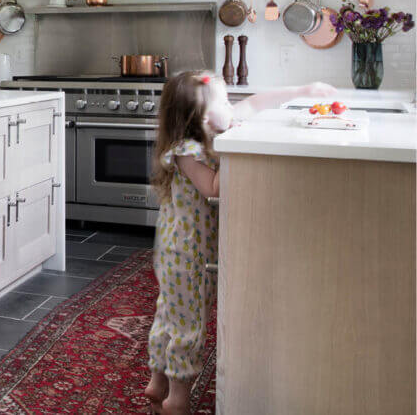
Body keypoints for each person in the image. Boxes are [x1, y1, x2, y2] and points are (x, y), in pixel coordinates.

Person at [144, 72, 335, 415]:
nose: (233, 107)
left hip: (180, 251)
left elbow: (257, 102)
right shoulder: (189, 151)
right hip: (189, 256)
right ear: (202, 118)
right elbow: (213, 189)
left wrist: (305, 90)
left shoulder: (200, 138)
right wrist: (231, 140)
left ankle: (158, 386)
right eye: (224, 102)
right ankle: (177, 400)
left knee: (169, 315)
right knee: (189, 326)